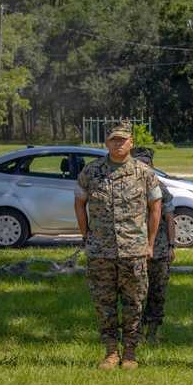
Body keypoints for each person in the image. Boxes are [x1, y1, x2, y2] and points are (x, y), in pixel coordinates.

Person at [74, 120, 162, 370]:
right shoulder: (91, 171)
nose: (118, 143)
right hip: (100, 251)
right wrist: (87, 236)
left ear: (131, 142)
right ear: (106, 142)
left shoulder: (144, 173)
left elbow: (155, 208)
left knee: (134, 303)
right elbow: (79, 203)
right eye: (113, 139)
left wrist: (150, 244)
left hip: (133, 251)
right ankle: (111, 352)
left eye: (122, 139)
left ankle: (130, 353)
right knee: (105, 304)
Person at [131, 147, 176, 345]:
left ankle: (152, 333)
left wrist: (171, 246)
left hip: (159, 251)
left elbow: (169, 219)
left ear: (152, 165)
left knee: (158, 294)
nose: (143, 167)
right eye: (139, 163)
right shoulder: (126, 188)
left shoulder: (161, 189)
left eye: (146, 163)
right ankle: (136, 334)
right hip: (134, 251)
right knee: (135, 295)